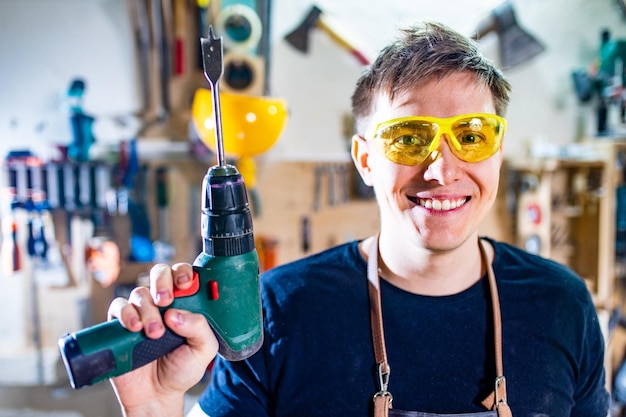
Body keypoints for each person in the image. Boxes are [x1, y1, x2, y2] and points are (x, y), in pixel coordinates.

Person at [108, 21, 610, 416]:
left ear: (497, 151)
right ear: (365, 159)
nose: (441, 169)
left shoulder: (562, 305)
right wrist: (154, 408)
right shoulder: (277, 312)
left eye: (472, 134)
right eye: (408, 138)